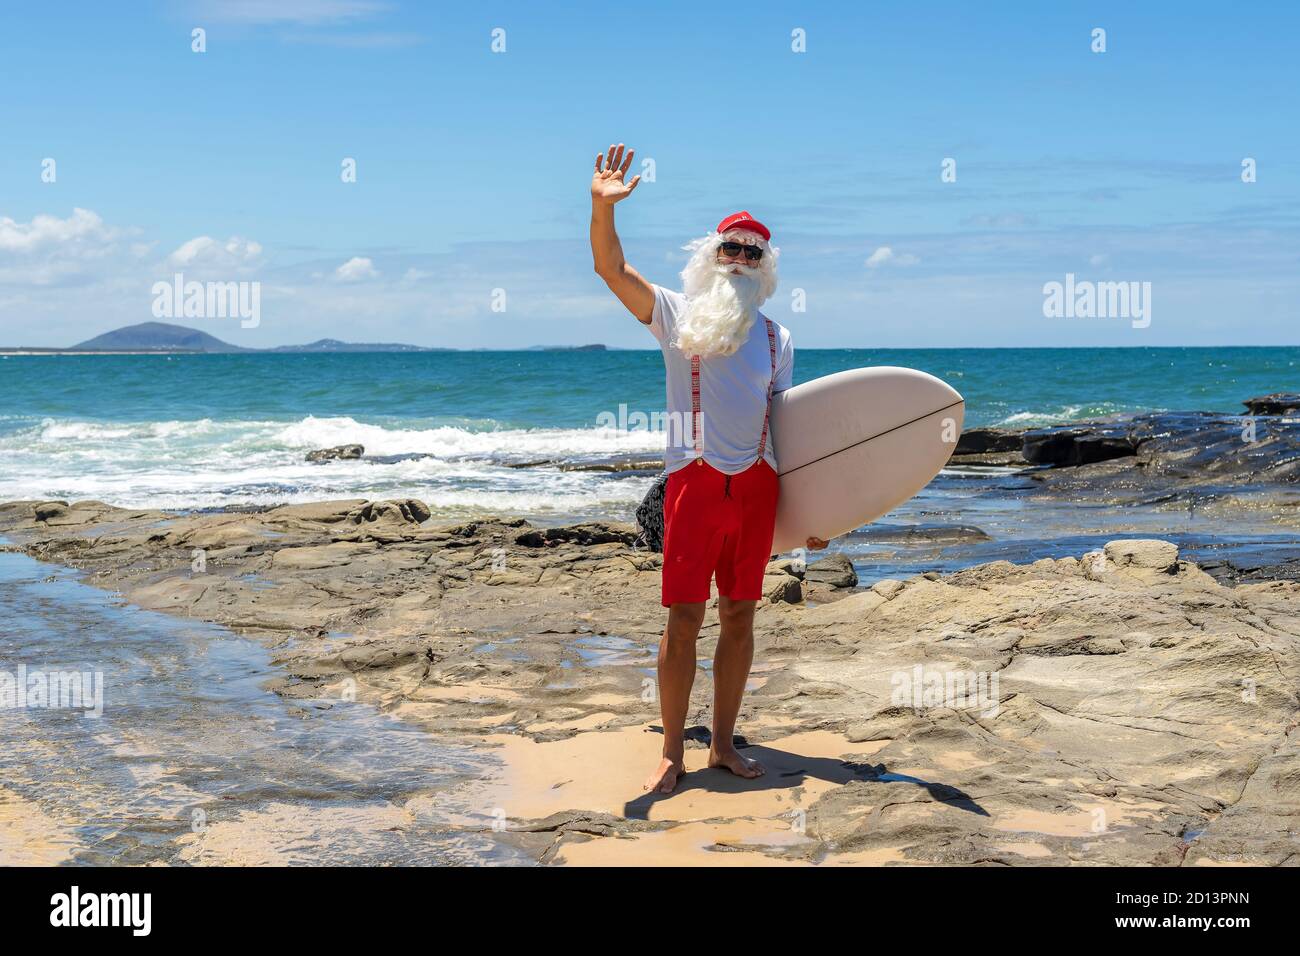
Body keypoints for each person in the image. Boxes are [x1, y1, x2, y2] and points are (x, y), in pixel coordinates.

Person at [589, 142, 829, 795]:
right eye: (732, 248)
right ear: (712, 255)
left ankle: (721, 743)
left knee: (742, 616)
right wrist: (600, 207)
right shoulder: (676, 315)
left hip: (756, 486)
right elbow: (609, 268)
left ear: (765, 268)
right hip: (693, 484)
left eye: (753, 253)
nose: (741, 259)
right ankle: (672, 751)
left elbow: (788, 430)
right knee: (684, 617)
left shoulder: (778, 339)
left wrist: (815, 517)